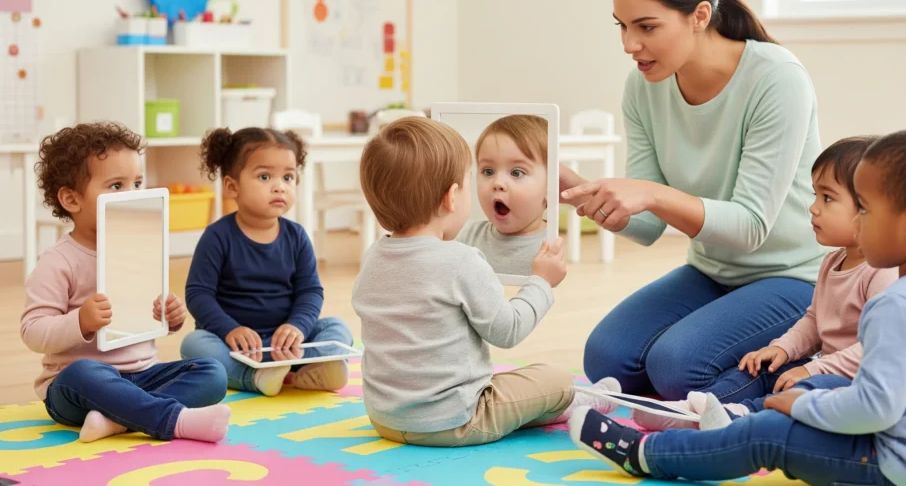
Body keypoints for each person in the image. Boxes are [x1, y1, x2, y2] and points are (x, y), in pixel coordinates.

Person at [569, 126, 906, 486]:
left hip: (899, 465)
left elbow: (873, 408)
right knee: (795, 391)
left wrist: (800, 406)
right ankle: (721, 415)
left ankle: (647, 454)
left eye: (864, 209)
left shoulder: (900, 302)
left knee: (769, 435)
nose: (857, 220)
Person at [559, 0, 826, 401]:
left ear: (700, 15)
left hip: (794, 276)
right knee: (607, 358)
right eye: (622, 26)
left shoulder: (777, 79)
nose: (630, 44)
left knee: (676, 366)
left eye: (646, 26)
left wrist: (652, 193)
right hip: (711, 271)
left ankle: (805, 366)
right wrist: (577, 188)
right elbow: (645, 226)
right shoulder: (643, 87)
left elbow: (749, 228)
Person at [352, 116, 619, 447]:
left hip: (385, 419)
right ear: (452, 197)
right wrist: (541, 282)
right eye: (480, 175)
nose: (496, 183)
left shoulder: (374, 256)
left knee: (517, 389)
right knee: (555, 378)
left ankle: (550, 407)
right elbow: (507, 331)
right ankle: (574, 403)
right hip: (457, 421)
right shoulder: (461, 260)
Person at [632, 136, 898, 431]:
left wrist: (813, 369)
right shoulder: (832, 261)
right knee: (757, 369)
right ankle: (700, 408)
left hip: (859, 386)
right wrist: (782, 349)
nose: (813, 208)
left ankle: (742, 416)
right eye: (815, 195)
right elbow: (814, 321)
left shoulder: (884, 271)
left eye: (827, 198)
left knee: (807, 389)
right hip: (824, 368)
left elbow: (877, 349)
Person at [21, 122, 230, 444]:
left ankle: (117, 419)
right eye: (117, 186)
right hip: (81, 387)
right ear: (71, 199)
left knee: (213, 373)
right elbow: (33, 331)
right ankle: (171, 419)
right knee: (80, 372)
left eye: (137, 183)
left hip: (143, 376)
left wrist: (167, 318)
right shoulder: (58, 261)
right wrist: (80, 321)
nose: (133, 195)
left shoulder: (140, 247)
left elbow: (141, 318)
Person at [181, 127, 354, 396]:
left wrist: (297, 327)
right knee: (194, 344)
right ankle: (255, 376)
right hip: (236, 347)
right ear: (232, 186)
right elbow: (198, 294)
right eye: (264, 176)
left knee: (337, 327)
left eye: (288, 177)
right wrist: (230, 330)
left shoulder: (297, 236)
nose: (279, 186)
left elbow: (310, 291)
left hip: (287, 344)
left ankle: (314, 369)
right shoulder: (217, 236)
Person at [457, 115, 549, 275]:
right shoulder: (467, 238)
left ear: (551, 186)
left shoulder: (551, 247)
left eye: (516, 173)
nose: (498, 183)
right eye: (488, 171)